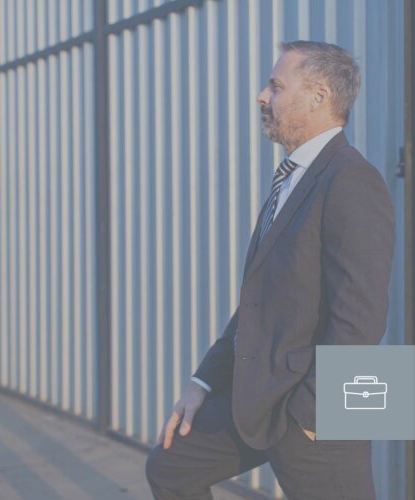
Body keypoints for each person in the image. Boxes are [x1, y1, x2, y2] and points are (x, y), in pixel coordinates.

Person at [145, 40, 396, 500]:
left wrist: (313, 415)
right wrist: (203, 381)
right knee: (170, 466)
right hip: (264, 393)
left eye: (276, 86)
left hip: (316, 410)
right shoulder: (293, 176)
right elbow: (262, 299)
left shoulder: (353, 178)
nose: (262, 96)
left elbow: (362, 316)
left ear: (319, 96)